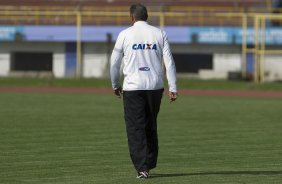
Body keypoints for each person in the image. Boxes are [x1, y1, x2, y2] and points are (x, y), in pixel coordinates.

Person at [110, 3, 177, 179]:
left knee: (135, 128)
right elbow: (169, 62)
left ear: (131, 18)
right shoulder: (160, 33)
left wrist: (115, 84)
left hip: (133, 87)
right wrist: (173, 87)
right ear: (147, 16)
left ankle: (142, 167)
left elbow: (114, 62)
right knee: (150, 124)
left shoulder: (124, 35)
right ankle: (149, 162)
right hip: (155, 87)